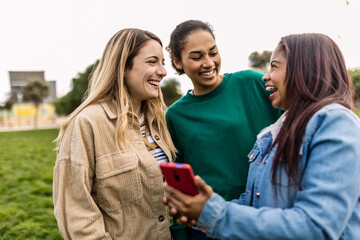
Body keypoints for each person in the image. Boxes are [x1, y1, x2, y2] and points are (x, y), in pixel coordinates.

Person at [164, 33, 360, 239]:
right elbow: (255, 201)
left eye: (274, 67)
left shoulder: (335, 123)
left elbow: (316, 227)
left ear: (304, 69)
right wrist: (201, 207)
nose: (265, 76)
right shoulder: (281, 129)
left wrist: (214, 213)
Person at [53, 28, 176, 240]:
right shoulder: (86, 123)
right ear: (123, 67)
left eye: (163, 62)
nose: (163, 71)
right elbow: (76, 214)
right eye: (152, 61)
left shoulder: (158, 121)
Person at [165, 20, 282, 239]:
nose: (208, 63)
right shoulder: (175, 115)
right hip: (205, 226)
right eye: (197, 57)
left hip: (261, 216)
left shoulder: (252, 83)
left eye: (213, 52)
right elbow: (179, 182)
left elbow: (296, 125)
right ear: (178, 62)